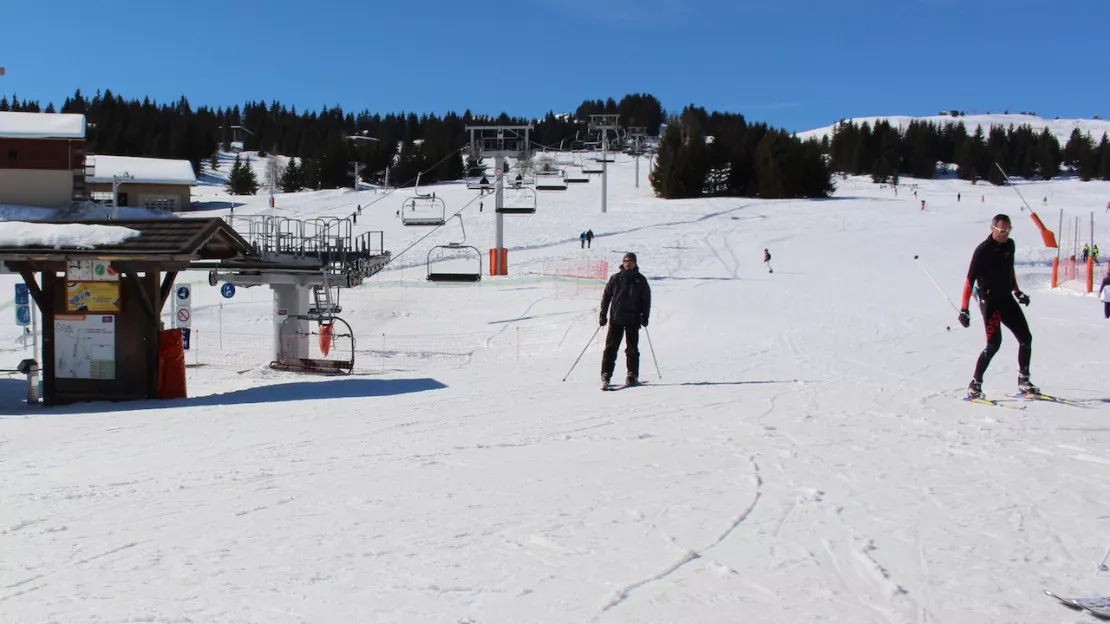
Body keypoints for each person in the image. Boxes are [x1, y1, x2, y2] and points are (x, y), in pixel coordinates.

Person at [957, 214, 1037, 399]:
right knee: (994, 344)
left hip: (1006, 298)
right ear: (992, 229)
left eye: (1008, 230)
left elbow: (1010, 272)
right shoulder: (982, 251)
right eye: (1002, 231)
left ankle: (1024, 379)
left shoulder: (1010, 245)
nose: (1005, 234)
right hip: (989, 300)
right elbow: (969, 281)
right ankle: (975, 383)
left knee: (1026, 338)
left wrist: (1017, 292)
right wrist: (964, 309)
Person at [599, 252, 651, 390]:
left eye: (631, 262)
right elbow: (606, 297)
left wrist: (645, 316)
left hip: (633, 319)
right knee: (611, 348)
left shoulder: (640, 280)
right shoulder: (615, 278)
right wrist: (603, 314)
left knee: (632, 349)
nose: (628, 264)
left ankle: (632, 374)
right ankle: (606, 374)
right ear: (623, 263)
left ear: (635, 263)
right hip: (616, 318)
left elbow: (646, 300)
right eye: (626, 261)